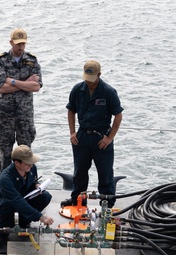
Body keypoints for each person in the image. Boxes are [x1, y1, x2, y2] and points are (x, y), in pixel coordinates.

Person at [61, 60, 123, 208]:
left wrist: (109, 138)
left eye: (92, 79)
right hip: (82, 136)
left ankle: (107, 202)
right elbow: (71, 110)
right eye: (86, 78)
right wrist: (72, 132)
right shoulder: (77, 89)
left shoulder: (109, 92)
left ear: (99, 75)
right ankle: (78, 199)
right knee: (79, 171)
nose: (89, 82)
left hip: (101, 137)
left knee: (105, 173)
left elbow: (118, 116)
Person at [0, 27, 43, 172]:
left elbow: (36, 86)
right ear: (11, 43)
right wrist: (25, 82)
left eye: (23, 44)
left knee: (26, 153)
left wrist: (13, 81)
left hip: (24, 115)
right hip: (5, 115)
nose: (21, 47)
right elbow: (0, 87)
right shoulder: (2, 61)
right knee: (6, 154)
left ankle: (27, 187)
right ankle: (5, 186)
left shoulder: (31, 61)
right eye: (18, 44)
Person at [0, 145, 54, 247]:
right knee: (9, 204)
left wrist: (36, 186)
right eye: (28, 163)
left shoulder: (31, 169)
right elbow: (16, 201)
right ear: (17, 163)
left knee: (45, 196)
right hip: (4, 203)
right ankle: (2, 231)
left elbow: (31, 182)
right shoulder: (5, 178)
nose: (31, 165)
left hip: (23, 196)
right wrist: (40, 216)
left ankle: (24, 221)